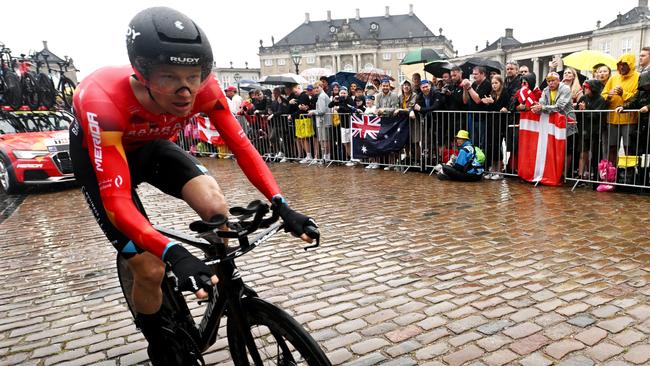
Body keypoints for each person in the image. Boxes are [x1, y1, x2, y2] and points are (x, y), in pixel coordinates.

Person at [69, 7, 318, 365]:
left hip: (153, 146)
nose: (186, 90)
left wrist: (280, 202)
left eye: (194, 76)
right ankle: (160, 343)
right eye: (169, 77)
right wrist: (173, 252)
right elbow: (118, 201)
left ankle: (219, 285)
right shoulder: (103, 98)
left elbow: (242, 147)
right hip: (105, 156)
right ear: (141, 74)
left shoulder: (205, 89)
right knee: (150, 267)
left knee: (216, 206)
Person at [531, 72, 577, 175]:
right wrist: (537, 108)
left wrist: (542, 108)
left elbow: (560, 106)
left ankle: (564, 173)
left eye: (553, 80)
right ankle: (554, 172)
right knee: (553, 148)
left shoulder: (565, 88)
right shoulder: (545, 90)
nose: (551, 83)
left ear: (559, 80)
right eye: (549, 81)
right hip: (552, 123)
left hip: (567, 123)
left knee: (567, 149)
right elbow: (542, 103)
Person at [602, 54, 640, 164]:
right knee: (612, 147)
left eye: (624, 64)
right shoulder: (613, 78)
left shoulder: (638, 77)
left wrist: (623, 93)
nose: (621, 67)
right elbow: (603, 94)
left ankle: (629, 174)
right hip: (613, 119)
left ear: (631, 65)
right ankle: (611, 175)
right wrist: (608, 96)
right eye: (619, 65)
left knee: (629, 148)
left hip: (630, 119)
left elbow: (637, 97)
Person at [576, 79, 608, 181]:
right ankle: (580, 176)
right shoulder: (583, 98)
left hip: (595, 131)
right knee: (582, 152)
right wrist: (579, 109)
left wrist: (586, 109)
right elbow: (577, 113)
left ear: (593, 89)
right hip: (584, 129)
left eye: (587, 87)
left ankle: (596, 177)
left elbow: (597, 115)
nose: (584, 89)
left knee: (595, 155)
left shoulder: (601, 100)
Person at [481, 75, 510, 180]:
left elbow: (501, 108)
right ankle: (492, 170)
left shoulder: (505, 94)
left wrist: (492, 103)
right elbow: (490, 108)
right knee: (490, 146)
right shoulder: (491, 94)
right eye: (492, 83)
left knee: (497, 146)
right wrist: (487, 103)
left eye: (496, 83)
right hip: (491, 123)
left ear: (501, 83)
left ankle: (498, 170)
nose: (494, 85)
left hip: (500, 123)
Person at [328, 86, 355, 165]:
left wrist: (339, 108)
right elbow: (329, 105)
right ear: (339, 93)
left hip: (350, 124)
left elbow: (350, 109)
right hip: (342, 124)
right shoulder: (339, 99)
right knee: (344, 142)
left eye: (344, 93)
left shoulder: (349, 99)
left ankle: (353, 157)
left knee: (350, 141)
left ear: (347, 93)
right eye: (341, 93)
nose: (343, 94)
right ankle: (350, 157)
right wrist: (334, 101)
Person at [308, 81, 332, 163]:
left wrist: (313, 112)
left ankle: (326, 157)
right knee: (324, 139)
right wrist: (314, 110)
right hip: (324, 121)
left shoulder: (322, 96)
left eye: (317, 87)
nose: (316, 89)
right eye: (315, 88)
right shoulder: (322, 96)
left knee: (324, 140)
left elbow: (322, 111)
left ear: (322, 87)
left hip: (323, 121)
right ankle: (326, 156)